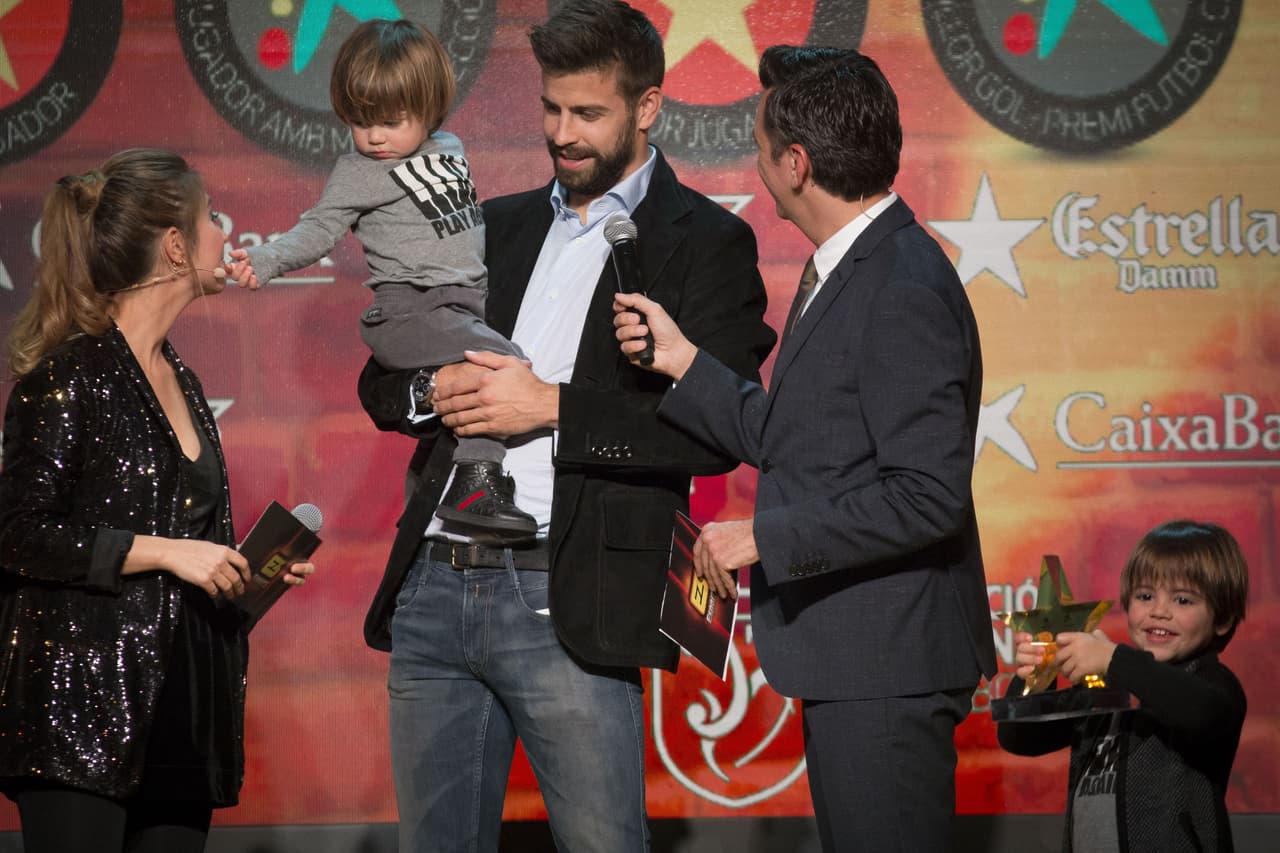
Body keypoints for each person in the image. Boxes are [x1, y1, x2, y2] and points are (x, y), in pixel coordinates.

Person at [355, 1, 775, 850]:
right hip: (436, 584)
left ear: (648, 107)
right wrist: (434, 389)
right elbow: (378, 383)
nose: (563, 131)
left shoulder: (706, 243)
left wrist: (550, 406)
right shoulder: (489, 226)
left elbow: (711, 432)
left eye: (588, 113)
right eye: (551, 108)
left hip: (566, 590)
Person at [614, 46, 998, 852]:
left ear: (797, 164)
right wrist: (682, 359)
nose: (755, 165)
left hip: (887, 667)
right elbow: (797, 437)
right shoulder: (855, 266)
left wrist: (761, 535)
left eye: (759, 148)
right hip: (862, 662)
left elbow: (928, 493)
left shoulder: (898, 284)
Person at [0, 149, 315, 853]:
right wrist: (175, 554)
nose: (222, 235)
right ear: (174, 245)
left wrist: (246, 575)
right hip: (81, 716)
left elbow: (188, 557)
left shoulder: (185, 381)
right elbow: (18, 534)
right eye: (209, 219)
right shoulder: (66, 379)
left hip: (180, 722)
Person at [227, 19, 535, 541]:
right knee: (503, 368)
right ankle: (477, 486)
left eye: (391, 121)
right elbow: (319, 228)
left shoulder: (450, 147)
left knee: (459, 401)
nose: (374, 136)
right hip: (409, 310)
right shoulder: (359, 172)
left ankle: (429, 495)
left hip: (456, 308)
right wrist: (267, 260)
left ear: (430, 108)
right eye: (361, 121)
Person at [997, 520, 1249, 852]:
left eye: (1183, 601)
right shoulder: (1102, 684)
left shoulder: (1213, 684)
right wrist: (1035, 679)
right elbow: (1019, 737)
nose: (1159, 611)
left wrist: (1114, 659)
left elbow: (1199, 711)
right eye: (1145, 596)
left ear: (1222, 619)